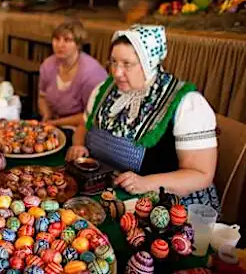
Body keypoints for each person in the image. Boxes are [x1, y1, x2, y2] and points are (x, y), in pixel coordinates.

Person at [66, 25, 219, 211]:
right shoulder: (104, 90)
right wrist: (79, 143)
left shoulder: (187, 104)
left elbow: (201, 175)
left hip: (170, 207)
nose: (117, 72)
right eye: (113, 62)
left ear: (149, 63)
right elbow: (85, 124)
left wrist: (146, 183)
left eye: (127, 64)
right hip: (110, 192)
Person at [38, 20, 108, 128]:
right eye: (56, 39)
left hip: (83, 128)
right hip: (54, 122)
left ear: (78, 45)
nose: (60, 45)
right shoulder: (48, 65)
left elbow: (90, 116)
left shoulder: (91, 73)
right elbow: (42, 97)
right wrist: (46, 115)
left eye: (67, 40)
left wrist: (54, 123)